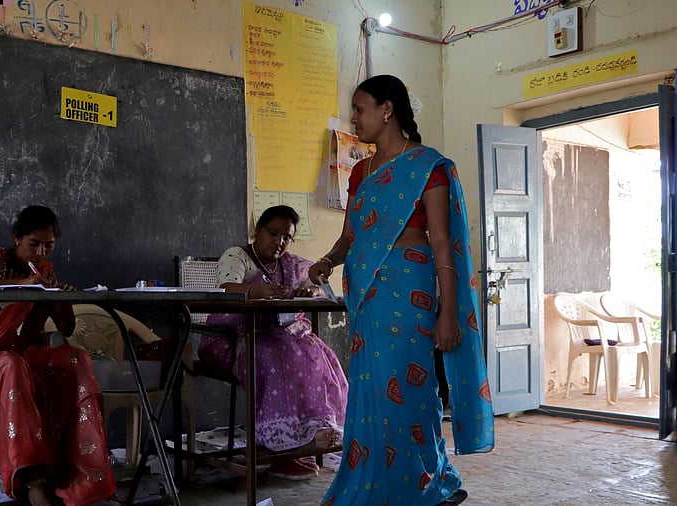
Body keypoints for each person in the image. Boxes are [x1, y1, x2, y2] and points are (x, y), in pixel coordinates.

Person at [309, 75, 494, 505]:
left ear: (386, 110)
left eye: (359, 109)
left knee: (411, 391)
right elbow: (349, 237)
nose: (353, 118)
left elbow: (443, 243)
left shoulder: (429, 167)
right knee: (371, 391)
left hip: (410, 294)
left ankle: (427, 482)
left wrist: (448, 312)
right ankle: (376, 482)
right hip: (367, 299)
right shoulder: (360, 172)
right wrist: (326, 262)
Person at [0, 206, 116, 506]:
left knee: (76, 359)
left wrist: (60, 296)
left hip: (21, 351)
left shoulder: (45, 271)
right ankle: (33, 482)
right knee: (10, 365)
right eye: (34, 244)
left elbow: (66, 328)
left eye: (49, 245)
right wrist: (20, 287)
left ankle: (85, 478)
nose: (41, 252)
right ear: (17, 238)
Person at [197, 205, 349, 480]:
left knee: (318, 354)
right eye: (273, 232)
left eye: (286, 237)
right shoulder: (237, 256)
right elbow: (225, 289)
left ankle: (308, 440)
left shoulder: (290, 263)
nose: (279, 241)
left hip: (279, 336)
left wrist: (309, 288)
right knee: (278, 359)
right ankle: (277, 448)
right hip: (234, 337)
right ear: (258, 230)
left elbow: (313, 279)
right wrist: (254, 291)